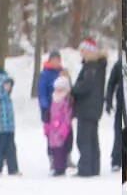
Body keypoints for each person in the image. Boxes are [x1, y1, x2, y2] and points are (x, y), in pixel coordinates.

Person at [71, 38, 108, 177]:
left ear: (89, 51)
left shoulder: (91, 66)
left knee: (84, 139)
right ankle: (93, 167)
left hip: (87, 109)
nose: (81, 53)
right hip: (93, 109)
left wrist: (72, 90)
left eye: (83, 50)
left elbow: (86, 86)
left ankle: (85, 168)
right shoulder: (97, 65)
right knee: (92, 139)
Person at [46, 75, 75, 176]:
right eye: (56, 88)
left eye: (60, 89)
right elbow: (49, 114)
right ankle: (56, 166)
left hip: (61, 129)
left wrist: (64, 130)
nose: (57, 91)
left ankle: (60, 168)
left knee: (61, 150)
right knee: (54, 149)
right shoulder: (53, 99)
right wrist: (47, 127)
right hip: (53, 129)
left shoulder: (66, 101)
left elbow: (67, 117)